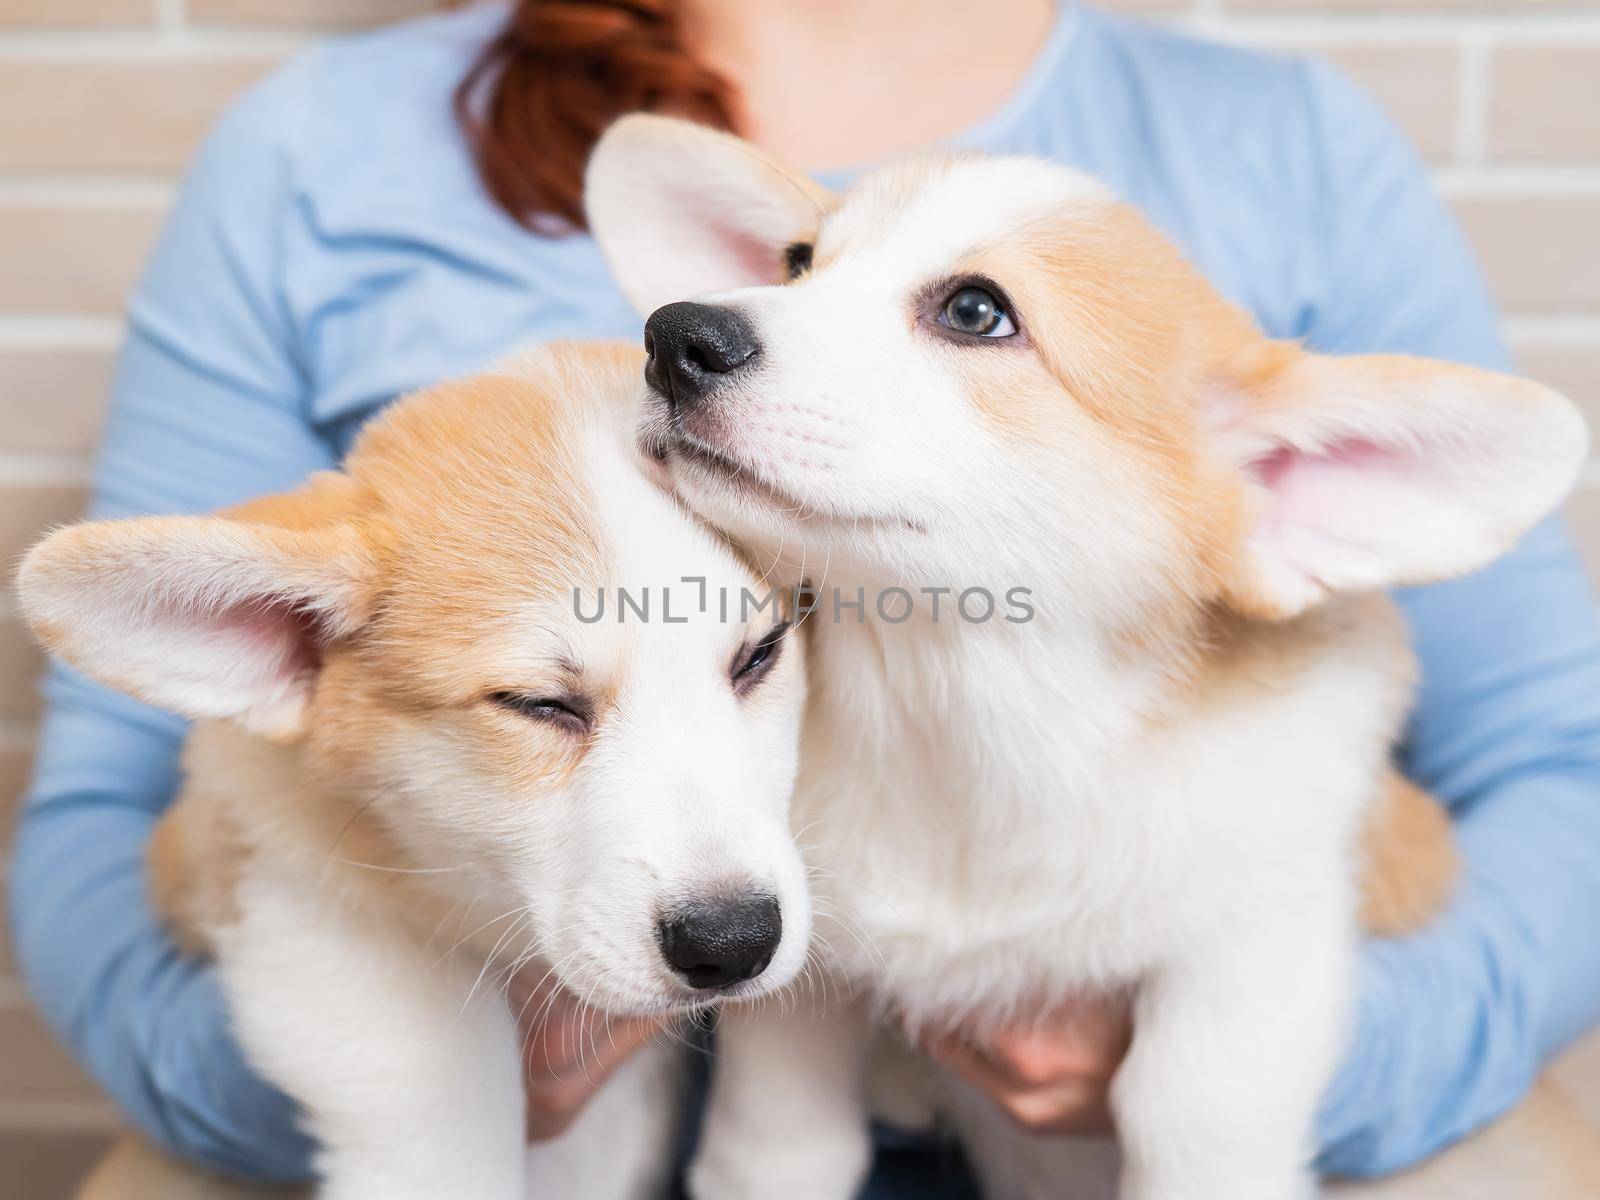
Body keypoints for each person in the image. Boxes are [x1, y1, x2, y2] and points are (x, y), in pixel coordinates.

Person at [10, 1, 1600, 1193]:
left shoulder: (1282, 149)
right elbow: (112, 795)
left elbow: (1549, 759)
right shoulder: (322, 149)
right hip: (516, 1076)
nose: (733, 331)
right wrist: (414, 1098)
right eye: (799, 269)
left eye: (967, 313)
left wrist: (1270, 1082)